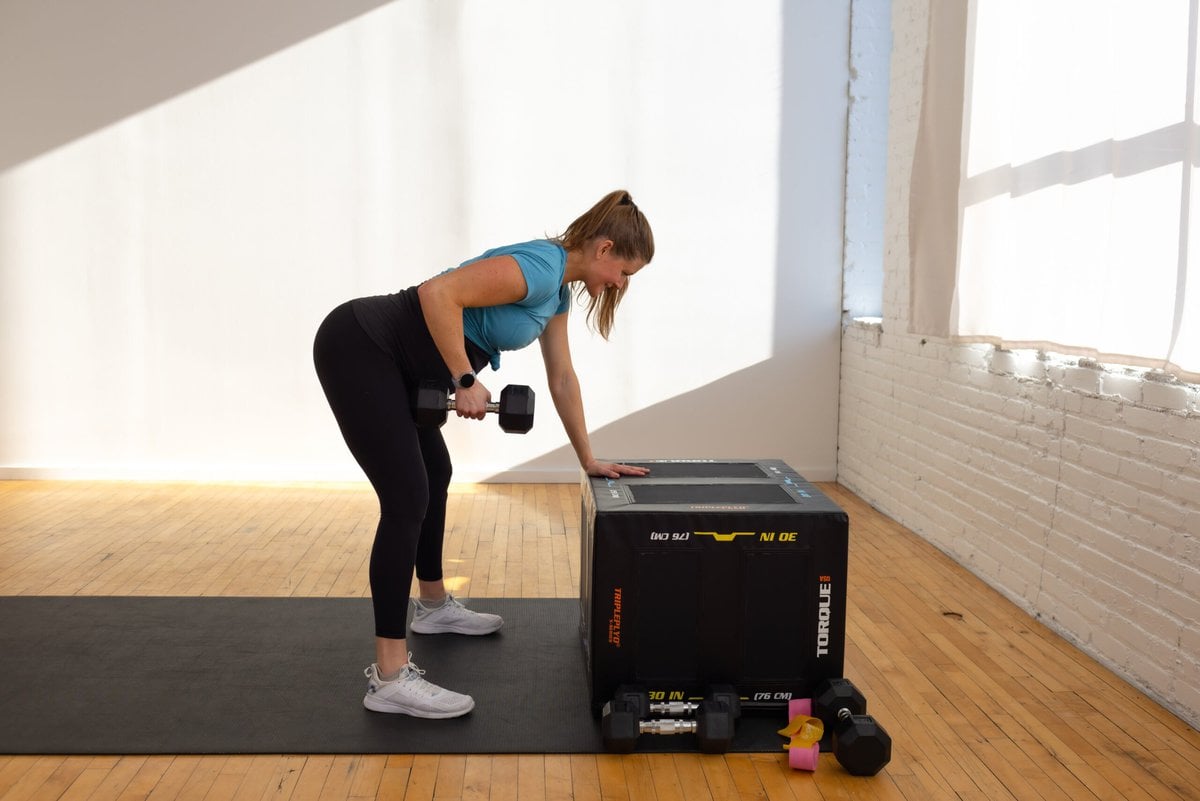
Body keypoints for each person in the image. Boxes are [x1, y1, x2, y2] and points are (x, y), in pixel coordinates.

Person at [313, 189, 654, 718]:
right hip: (361, 346)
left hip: (396, 363)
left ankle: (431, 607)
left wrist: (586, 457)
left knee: (435, 472)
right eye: (625, 271)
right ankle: (389, 678)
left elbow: (562, 378)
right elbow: (437, 294)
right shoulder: (539, 269)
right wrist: (465, 377)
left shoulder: (557, 293)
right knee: (406, 498)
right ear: (605, 248)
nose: (621, 285)